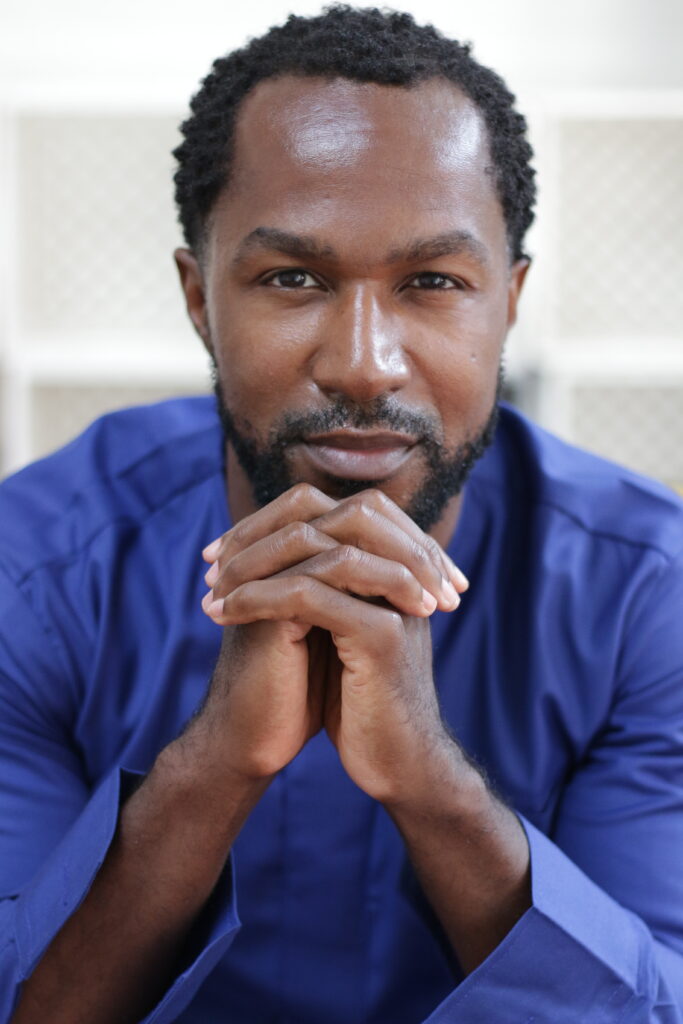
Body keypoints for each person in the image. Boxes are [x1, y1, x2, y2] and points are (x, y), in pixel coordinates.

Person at [1, 5, 682, 1022]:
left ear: (507, 301)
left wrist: (433, 785)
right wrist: (213, 763)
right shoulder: (32, 570)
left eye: (432, 281)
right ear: (199, 298)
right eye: (292, 278)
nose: (363, 364)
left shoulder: (644, 591)